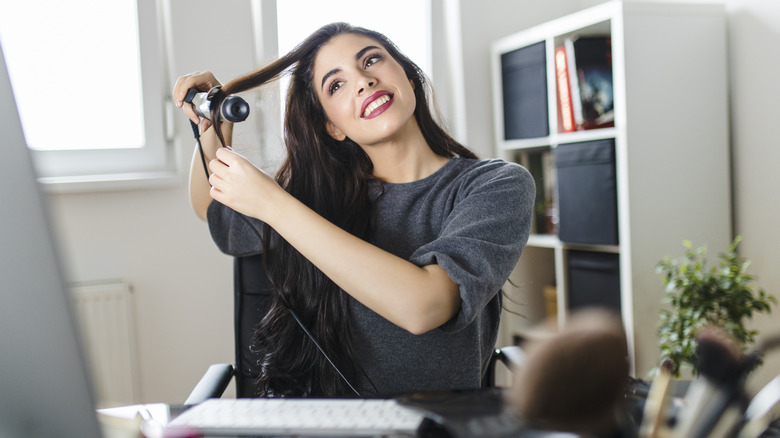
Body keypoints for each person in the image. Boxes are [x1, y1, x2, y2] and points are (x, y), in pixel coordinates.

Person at [173, 22, 535, 398]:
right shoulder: (316, 198)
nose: (363, 80)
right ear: (333, 127)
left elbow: (425, 307)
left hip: (435, 424)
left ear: (409, 77)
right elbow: (209, 206)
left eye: (372, 59)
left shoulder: (497, 185)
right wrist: (213, 120)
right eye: (336, 84)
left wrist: (273, 205)